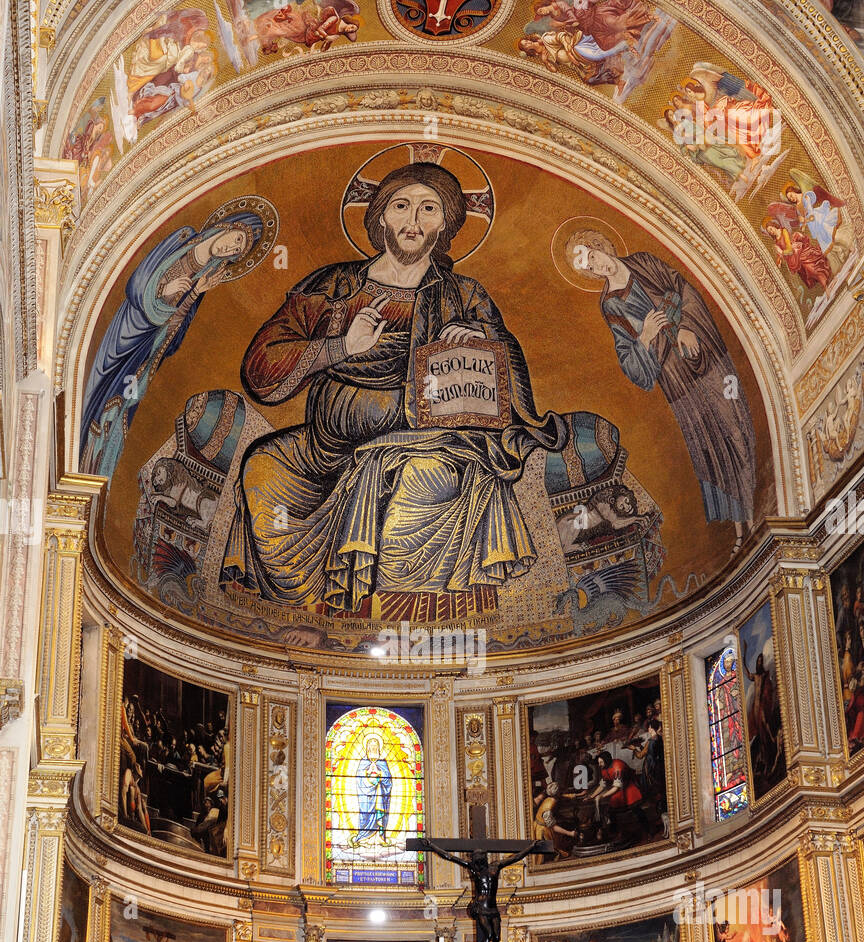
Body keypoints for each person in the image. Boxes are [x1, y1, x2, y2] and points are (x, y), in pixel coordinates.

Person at [222, 161, 570, 618]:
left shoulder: (464, 295)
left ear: (444, 225)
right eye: (401, 206)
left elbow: (510, 387)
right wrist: (340, 346)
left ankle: (399, 619)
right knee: (261, 467)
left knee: (423, 479)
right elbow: (262, 369)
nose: (412, 221)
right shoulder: (332, 285)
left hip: (430, 443)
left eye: (429, 209)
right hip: (325, 451)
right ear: (380, 216)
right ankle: (303, 613)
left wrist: (483, 345)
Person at [567, 232, 756, 553]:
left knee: (733, 423)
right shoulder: (610, 305)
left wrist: (685, 327)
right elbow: (629, 362)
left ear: (599, 246)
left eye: (591, 255)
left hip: (703, 351)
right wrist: (646, 335)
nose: (595, 265)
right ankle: (740, 528)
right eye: (588, 267)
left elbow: (683, 289)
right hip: (675, 379)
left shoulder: (642, 262)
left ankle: (756, 510)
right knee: (709, 444)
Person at [80, 212, 264, 479]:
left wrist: (194, 293)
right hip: (126, 330)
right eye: (237, 239)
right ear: (229, 226)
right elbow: (136, 284)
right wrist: (165, 292)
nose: (231, 248)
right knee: (99, 392)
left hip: (145, 349)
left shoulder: (204, 277)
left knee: (120, 407)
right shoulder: (182, 237)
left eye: (237, 251)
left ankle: (95, 469)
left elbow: (174, 337)